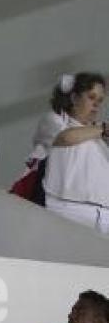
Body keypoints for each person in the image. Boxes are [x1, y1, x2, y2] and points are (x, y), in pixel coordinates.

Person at [43, 72, 109, 233]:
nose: (96, 105)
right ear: (74, 98)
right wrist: (103, 129)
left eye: (100, 100)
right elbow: (65, 138)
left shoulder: (98, 133)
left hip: (103, 215)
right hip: (68, 211)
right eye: (91, 97)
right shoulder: (55, 120)